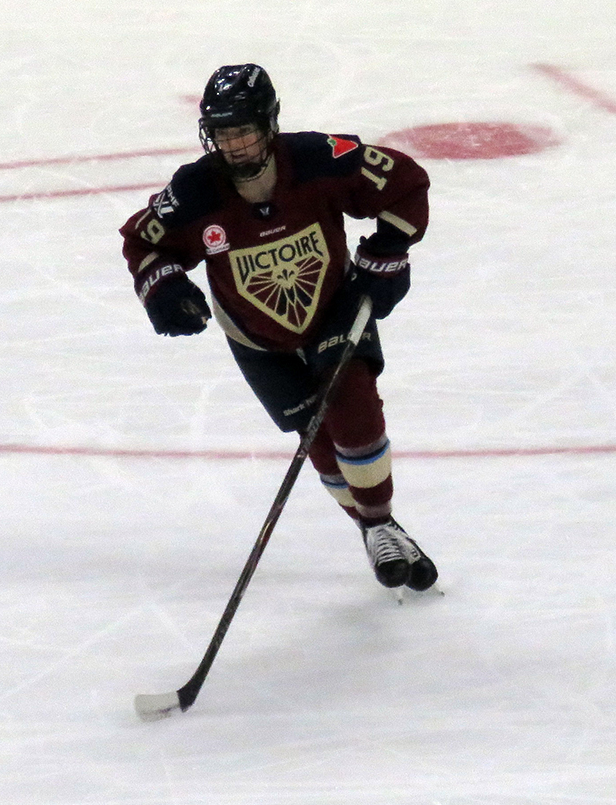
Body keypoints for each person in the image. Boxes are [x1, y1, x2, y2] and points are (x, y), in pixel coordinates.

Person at [119, 64, 437, 592]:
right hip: (254, 338)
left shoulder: (320, 158)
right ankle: (376, 526)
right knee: (314, 436)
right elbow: (145, 241)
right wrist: (166, 287)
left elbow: (405, 183)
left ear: (269, 125)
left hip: (334, 309)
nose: (235, 145)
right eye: (223, 134)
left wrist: (386, 254)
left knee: (352, 404)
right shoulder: (196, 191)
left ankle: (378, 522)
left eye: (243, 130)